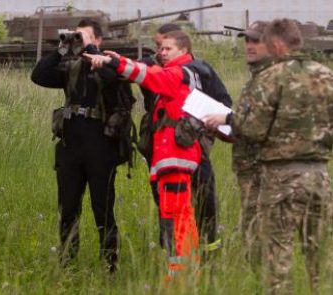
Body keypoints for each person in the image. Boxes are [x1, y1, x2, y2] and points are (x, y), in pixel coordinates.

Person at [206, 18, 333, 294]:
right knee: (320, 260)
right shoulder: (326, 75)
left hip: (280, 178)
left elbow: (252, 129)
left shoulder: (270, 78)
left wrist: (230, 119)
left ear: (276, 45)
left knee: (277, 263)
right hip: (320, 176)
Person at [84, 30, 202, 279]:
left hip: (175, 161)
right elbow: (149, 70)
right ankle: (188, 271)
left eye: (168, 49)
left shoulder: (179, 74)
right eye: (161, 48)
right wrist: (119, 60)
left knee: (175, 219)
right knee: (179, 216)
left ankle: (180, 276)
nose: (161, 52)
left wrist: (113, 62)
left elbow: (148, 75)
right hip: (172, 162)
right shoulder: (180, 74)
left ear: (183, 51)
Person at [31, 19, 134, 272]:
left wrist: (95, 54)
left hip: (101, 145)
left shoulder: (110, 64)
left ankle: (110, 264)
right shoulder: (70, 66)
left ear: (98, 40)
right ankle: (67, 263)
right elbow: (38, 75)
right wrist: (62, 48)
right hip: (71, 145)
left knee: (103, 208)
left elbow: (116, 79)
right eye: (77, 36)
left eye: (84, 36)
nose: (79, 40)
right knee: (67, 208)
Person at [139, 23, 232, 256]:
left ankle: (209, 249)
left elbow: (224, 104)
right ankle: (172, 250)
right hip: (162, 148)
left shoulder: (199, 70)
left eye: (164, 46)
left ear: (179, 47)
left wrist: (204, 131)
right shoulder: (150, 69)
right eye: (157, 47)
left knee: (204, 197)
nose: (159, 52)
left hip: (193, 146)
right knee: (165, 201)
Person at [204, 20, 272, 268]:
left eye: (257, 40)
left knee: (268, 238)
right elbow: (251, 126)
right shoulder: (254, 80)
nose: (250, 46)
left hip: (269, 172)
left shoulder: (274, 80)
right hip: (250, 171)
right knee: (252, 235)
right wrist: (226, 130)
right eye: (247, 40)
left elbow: (268, 125)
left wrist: (229, 119)